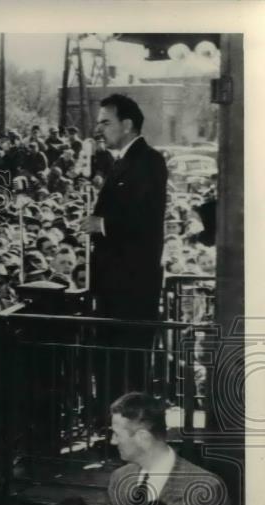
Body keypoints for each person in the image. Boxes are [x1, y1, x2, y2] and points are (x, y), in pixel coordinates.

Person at [82, 94, 168, 392]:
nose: (98, 130)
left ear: (127, 124)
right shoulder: (123, 162)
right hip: (115, 288)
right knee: (112, 370)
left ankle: (128, 420)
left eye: (106, 122)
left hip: (132, 289)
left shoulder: (148, 161)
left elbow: (146, 220)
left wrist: (102, 224)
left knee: (128, 370)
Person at [106, 392, 235, 505]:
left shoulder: (207, 489)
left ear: (142, 437)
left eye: (117, 434)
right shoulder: (119, 479)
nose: (112, 441)